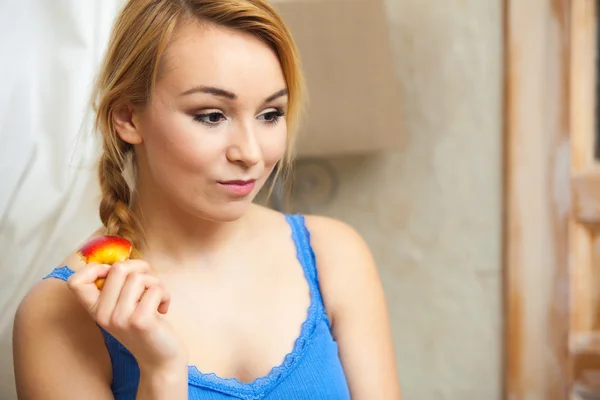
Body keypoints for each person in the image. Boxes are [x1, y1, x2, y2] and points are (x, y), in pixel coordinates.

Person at [12, 0, 401, 399]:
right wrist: (160, 373)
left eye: (270, 114)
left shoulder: (333, 255)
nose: (250, 153)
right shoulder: (58, 313)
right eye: (212, 115)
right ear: (128, 118)